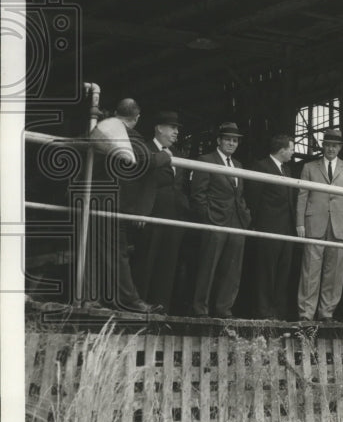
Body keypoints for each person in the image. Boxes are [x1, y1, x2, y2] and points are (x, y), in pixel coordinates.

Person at [85, 98, 170, 314]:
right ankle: (129, 301)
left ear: (116, 112)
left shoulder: (105, 129)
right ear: (137, 117)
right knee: (117, 252)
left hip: (95, 198)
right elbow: (143, 160)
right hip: (112, 202)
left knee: (96, 249)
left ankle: (95, 299)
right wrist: (164, 156)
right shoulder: (129, 135)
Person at [296, 128, 343, 322]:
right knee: (310, 270)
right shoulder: (309, 167)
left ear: (340, 148)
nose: (331, 148)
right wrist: (300, 223)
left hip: (341, 225)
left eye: (335, 145)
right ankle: (306, 313)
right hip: (314, 223)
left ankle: (327, 313)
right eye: (328, 145)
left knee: (335, 272)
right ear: (323, 146)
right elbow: (302, 196)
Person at [191, 122, 251, 318]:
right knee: (208, 266)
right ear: (219, 140)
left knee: (233, 269)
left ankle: (223, 308)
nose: (231, 143)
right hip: (215, 220)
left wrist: (245, 216)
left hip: (236, 222)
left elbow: (239, 195)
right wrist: (208, 218)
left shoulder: (238, 165)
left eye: (235, 141)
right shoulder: (206, 159)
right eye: (228, 139)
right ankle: (201, 308)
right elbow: (198, 195)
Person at [133, 110, 190, 312]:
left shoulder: (179, 155)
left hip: (174, 217)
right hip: (152, 214)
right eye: (172, 128)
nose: (176, 132)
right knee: (146, 259)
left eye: (177, 129)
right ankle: (140, 305)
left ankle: (161, 307)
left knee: (168, 263)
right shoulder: (144, 149)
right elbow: (138, 183)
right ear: (159, 128)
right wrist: (141, 211)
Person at [244, 133, 297, 320]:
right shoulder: (261, 167)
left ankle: (278, 311)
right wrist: (257, 225)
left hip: (286, 231)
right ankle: (263, 311)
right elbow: (253, 199)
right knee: (266, 270)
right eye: (291, 148)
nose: (293, 152)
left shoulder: (287, 170)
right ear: (282, 150)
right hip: (268, 228)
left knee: (283, 271)